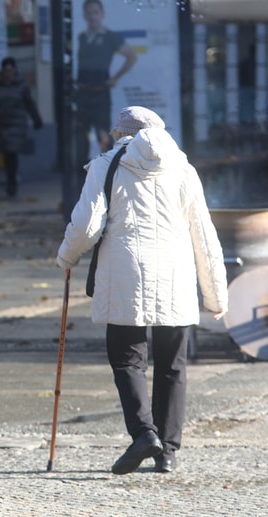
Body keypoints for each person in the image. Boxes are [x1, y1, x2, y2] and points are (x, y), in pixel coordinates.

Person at [56, 106, 228, 475]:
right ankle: (167, 451)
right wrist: (215, 295)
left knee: (127, 359)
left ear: (120, 133)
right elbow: (204, 234)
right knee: (172, 366)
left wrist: (66, 258)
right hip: (175, 277)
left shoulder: (106, 165)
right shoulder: (183, 168)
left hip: (124, 275)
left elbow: (87, 226)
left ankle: (143, 433)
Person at [75, 0, 137, 182]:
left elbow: (131, 56)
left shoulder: (110, 37)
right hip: (82, 94)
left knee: (103, 137)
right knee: (81, 140)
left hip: (100, 93)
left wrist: (115, 78)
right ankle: (83, 183)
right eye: (88, 13)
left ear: (101, 14)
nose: (92, 16)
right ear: (84, 15)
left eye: (95, 12)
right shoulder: (81, 37)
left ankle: (109, 178)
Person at [0, 56, 43, 197]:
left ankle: (12, 183)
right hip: (2, 124)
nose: (8, 73)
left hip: (16, 124)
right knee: (7, 154)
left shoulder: (21, 85)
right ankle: (11, 181)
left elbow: (29, 103)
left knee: (12, 153)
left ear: (14, 70)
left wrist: (36, 119)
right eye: (6, 70)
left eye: (10, 70)